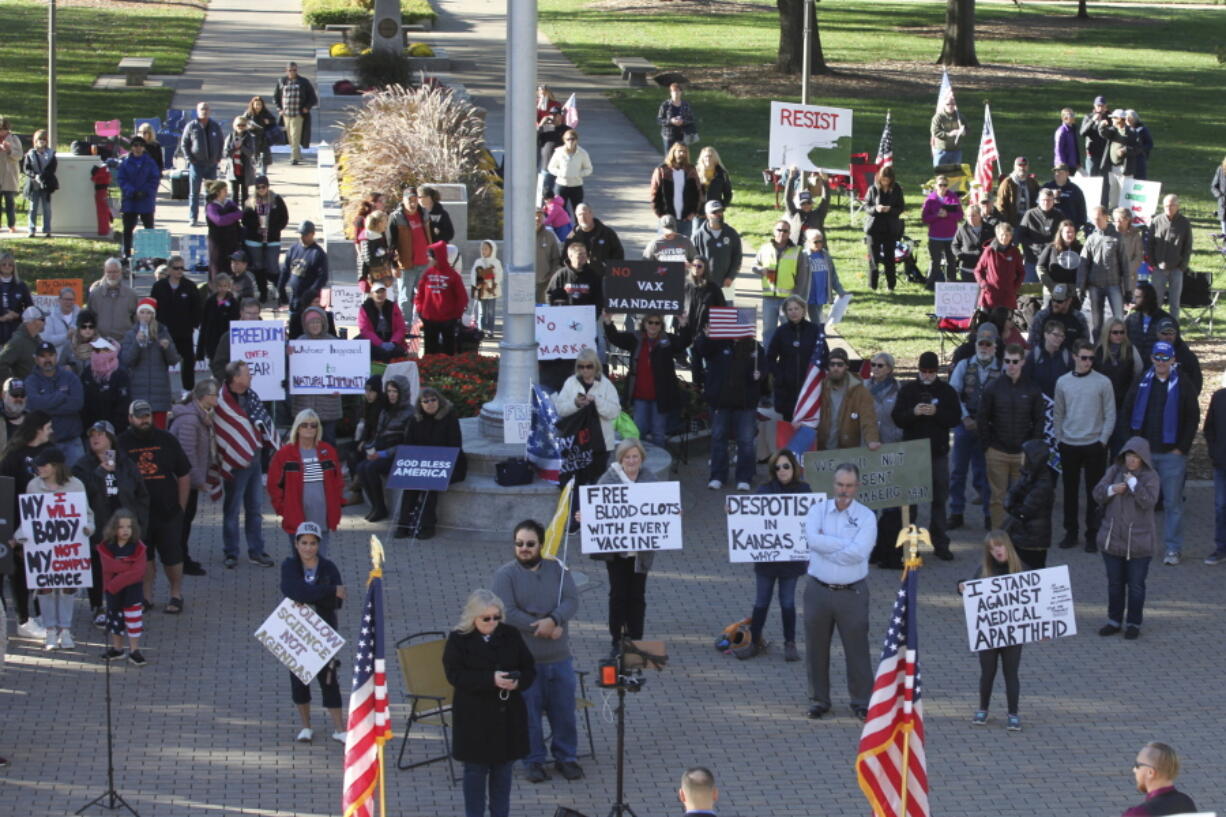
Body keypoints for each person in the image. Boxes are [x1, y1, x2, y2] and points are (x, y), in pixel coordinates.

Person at [489, 520, 582, 783]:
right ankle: (533, 761)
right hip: (525, 662)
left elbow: (571, 600)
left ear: (541, 544)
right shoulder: (505, 575)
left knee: (563, 712)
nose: (524, 548)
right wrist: (542, 627)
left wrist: (554, 619)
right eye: (519, 544)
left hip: (559, 658)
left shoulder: (558, 569)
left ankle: (567, 758)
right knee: (528, 716)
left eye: (530, 544)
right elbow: (506, 612)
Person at [443, 588, 536, 817]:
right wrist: (490, 679)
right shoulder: (459, 639)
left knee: (503, 773)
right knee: (475, 773)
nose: (492, 622)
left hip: (507, 716)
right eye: (486, 618)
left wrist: (518, 682)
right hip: (475, 718)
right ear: (473, 617)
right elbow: (455, 675)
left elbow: (529, 668)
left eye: (497, 617)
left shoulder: (510, 634)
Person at [803, 463, 876, 720]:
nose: (843, 491)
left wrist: (828, 547)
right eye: (839, 485)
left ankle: (862, 701)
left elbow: (859, 553)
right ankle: (819, 700)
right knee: (815, 649)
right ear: (833, 484)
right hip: (817, 591)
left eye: (848, 486)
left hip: (852, 593)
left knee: (857, 650)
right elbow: (812, 540)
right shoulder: (817, 511)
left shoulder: (867, 517)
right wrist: (845, 545)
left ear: (857, 487)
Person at [1121, 341, 1198, 566]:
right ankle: (1138, 545)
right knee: (1138, 501)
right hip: (1143, 454)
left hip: (1171, 455)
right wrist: (1132, 444)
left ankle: (1173, 548)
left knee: (1172, 503)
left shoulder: (1183, 384)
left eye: (1166, 358)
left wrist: (1181, 448)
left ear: (1173, 359)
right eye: (1157, 357)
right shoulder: (1142, 382)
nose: (1161, 362)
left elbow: (1193, 418)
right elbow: (1126, 410)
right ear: (1152, 358)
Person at [585, 439, 664, 655]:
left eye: (635, 456)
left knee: (637, 595)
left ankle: (636, 639)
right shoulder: (608, 480)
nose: (631, 461)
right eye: (627, 457)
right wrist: (586, 516)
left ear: (641, 458)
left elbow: (662, 506)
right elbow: (596, 508)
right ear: (621, 459)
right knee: (618, 594)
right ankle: (617, 638)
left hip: (641, 552)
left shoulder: (649, 478)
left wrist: (673, 513)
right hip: (617, 552)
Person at [117, 399, 190, 610]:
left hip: (167, 511)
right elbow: (109, 475)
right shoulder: (120, 443)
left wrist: (181, 508)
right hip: (136, 514)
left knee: (172, 556)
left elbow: (184, 473)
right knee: (144, 556)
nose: (144, 420)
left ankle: (176, 594)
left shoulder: (167, 439)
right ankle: (146, 596)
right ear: (130, 419)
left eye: (147, 416)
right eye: (139, 416)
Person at [737, 449, 810, 660]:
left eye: (786, 466)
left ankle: (790, 643)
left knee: (787, 603)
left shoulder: (804, 491)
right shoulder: (764, 490)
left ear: (794, 468)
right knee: (761, 602)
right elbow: (750, 516)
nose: (782, 471)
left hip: (791, 561)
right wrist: (734, 511)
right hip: (767, 559)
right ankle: (754, 642)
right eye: (777, 467)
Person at [76, 419, 152, 619]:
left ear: (111, 438)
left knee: (124, 566)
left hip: (123, 525)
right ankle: (98, 607)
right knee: (98, 566)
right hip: (98, 525)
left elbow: (141, 495)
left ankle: (122, 605)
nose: (95, 439)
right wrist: (101, 472)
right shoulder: (82, 465)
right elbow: (82, 494)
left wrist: (139, 523)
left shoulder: (126, 463)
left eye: (100, 434)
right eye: (92, 435)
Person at [20, 447, 94, 650]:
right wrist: (21, 534)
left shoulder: (75, 485)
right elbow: (30, 517)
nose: (39, 468)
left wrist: (88, 527)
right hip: (44, 546)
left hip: (68, 546)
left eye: (44, 465)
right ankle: (50, 630)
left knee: (68, 586)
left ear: (56, 466)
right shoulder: (33, 485)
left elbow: (87, 514)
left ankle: (66, 629)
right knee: (46, 586)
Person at [281, 522, 347, 742]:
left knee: (329, 680)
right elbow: (293, 590)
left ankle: (339, 729)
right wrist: (327, 591)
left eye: (312, 543)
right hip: (298, 633)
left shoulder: (329, 567)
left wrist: (309, 595)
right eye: (304, 543)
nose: (308, 548)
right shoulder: (289, 566)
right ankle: (306, 727)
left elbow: (337, 603)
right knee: (299, 681)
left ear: (319, 544)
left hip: (323, 632)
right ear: (296, 543)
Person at [893, 351, 960, 558]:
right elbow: (897, 417)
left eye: (931, 371)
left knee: (939, 499)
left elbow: (955, 418)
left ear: (936, 371)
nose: (927, 375)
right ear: (918, 370)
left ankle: (940, 543)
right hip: (913, 454)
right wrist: (914, 413)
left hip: (938, 453)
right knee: (911, 503)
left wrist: (936, 413)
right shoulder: (908, 390)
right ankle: (911, 545)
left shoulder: (947, 391)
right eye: (924, 371)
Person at [1092, 437, 1159, 639]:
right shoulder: (1114, 471)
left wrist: (1134, 485)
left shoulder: (1151, 476)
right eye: (1129, 456)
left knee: (1136, 586)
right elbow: (1097, 493)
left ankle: (1133, 623)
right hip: (1112, 539)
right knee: (1115, 583)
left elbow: (1149, 502)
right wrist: (1112, 489)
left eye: (1136, 457)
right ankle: (1114, 621)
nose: (1131, 460)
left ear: (1143, 459)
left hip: (1138, 544)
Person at [958, 530, 1025, 731]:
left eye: (999, 546)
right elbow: (969, 590)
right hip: (989, 633)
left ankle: (1013, 713)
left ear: (1007, 546)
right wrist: (960, 586)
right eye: (992, 548)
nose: (997, 551)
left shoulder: (1022, 570)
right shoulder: (984, 570)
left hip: (1013, 633)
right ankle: (983, 709)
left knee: (1010, 673)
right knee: (987, 673)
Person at [1054, 340, 1116, 551]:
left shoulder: (1103, 382)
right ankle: (1070, 532)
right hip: (1069, 443)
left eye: (1091, 358)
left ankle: (1092, 534)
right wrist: (1059, 438)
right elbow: (1058, 412)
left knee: (1094, 493)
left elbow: (1110, 413)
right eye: (1084, 357)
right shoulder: (1062, 382)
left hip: (1094, 444)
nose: (1088, 362)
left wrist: (1103, 440)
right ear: (1074, 357)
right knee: (1069, 492)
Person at [216, 362, 276, 569]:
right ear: (235, 379)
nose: (251, 376)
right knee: (232, 509)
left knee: (255, 508)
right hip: (234, 461)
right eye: (248, 373)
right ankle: (231, 552)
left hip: (255, 459)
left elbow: (263, 419)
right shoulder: (221, 400)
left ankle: (256, 551)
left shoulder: (252, 396)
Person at [978, 344, 1044, 528]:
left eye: (1015, 362)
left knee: (1021, 497)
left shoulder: (1032, 388)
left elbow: (1039, 420)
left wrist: (1031, 449)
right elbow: (982, 418)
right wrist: (987, 447)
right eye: (1007, 361)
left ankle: (1017, 536)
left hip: (1022, 453)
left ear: (1022, 362)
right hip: (997, 451)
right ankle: (998, 537)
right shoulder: (993, 388)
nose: (1011, 365)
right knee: (997, 498)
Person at [603, 311, 688, 447]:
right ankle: (637, 463)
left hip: (660, 397)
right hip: (640, 396)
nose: (653, 326)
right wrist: (608, 322)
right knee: (638, 431)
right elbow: (615, 338)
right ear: (644, 324)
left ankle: (659, 466)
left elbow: (683, 343)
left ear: (661, 325)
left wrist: (683, 324)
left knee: (658, 433)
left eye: (657, 323)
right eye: (650, 322)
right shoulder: (636, 338)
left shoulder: (667, 340)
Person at [394, 387, 466, 540]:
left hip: (448, 463)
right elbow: (409, 444)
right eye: (425, 401)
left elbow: (455, 445)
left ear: (439, 401)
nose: (430, 404)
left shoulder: (449, 417)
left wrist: (433, 461)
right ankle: (404, 524)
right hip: (422, 463)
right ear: (420, 404)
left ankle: (428, 525)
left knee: (430, 484)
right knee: (410, 484)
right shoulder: (415, 420)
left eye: (433, 400)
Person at [267, 409, 343, 555]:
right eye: (304, 425)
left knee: (320, 559)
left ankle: (316, 578)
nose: (309, 428)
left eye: (313, 425)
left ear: (318, 428)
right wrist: (283, 509)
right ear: (297, 428)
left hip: (323, 514)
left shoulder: (328, 451)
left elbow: (337, 480)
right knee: (299, 559)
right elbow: (273, 485)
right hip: (296, 515)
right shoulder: (284, 454)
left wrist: (337, 503)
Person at [949, 326, 1001, 532]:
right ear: (976, 344)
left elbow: (1002, 398)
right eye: (981, 343)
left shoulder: (1001, 368)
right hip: (965, 422)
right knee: (958, 471)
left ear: (995, 346)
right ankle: (956, 512)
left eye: (989, 344)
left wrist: (988, 421)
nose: (984, 347)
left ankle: (989, 515)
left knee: (986, 471)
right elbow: (953, 392)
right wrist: (965, 417)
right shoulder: (964, 365)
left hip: (988, 426)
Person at [703, 334, 764, 491]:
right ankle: (717, 476)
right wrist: (706, 337)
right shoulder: (717, 343)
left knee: (746, 441)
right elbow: (701, 351)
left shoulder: (755, 347)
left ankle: (744, 477)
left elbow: (764, 368)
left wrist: (760, 374)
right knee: (718, 438)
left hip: (745, 404)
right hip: (721, 402)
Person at [166, 381, 214, 577]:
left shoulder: (199, 417)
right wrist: (198, 481)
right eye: (215, 395)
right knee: (182, 521)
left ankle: (181, 557)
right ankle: (179, 560)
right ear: (204, 398)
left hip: (187, 482)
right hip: (182, 483)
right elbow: (187, 457)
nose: (217, 398)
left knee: (185, 521)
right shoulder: (190, 421)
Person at [355, 374, 413, 523]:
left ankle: (380, 508)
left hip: (398, 455)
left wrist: (383, 453)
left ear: (402, 392)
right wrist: (370, 448)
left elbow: (407, 443)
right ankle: (376, 506)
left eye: (395, 391)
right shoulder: (386, 410)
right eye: (389, 391)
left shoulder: (410, 413)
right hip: (382, 451)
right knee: (361, 466)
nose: (391, 394)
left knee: (370, 468)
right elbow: (379, 434)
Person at [97, 509, 149, 666]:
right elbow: (108, 566)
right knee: (115, 620)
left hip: (132, 591)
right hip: (114, 593)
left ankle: (134, 650)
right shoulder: (107, 546)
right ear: (114, 529)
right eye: (121, 527)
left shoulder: (138, 547)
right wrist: (126, 567)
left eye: (129, 526)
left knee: (134, 621)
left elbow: (138, 571)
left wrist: (115, 582)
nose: (125, 530)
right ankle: (117, 649)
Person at [122, 298, 180, 429]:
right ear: (137, 315)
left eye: (148, 313)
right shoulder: (130, 335)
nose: (145, 316)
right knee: (140, 432)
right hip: (139, 392)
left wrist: (167, 348)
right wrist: (137, 343)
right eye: (142, 312)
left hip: (160, 394)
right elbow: (127, 361)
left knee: (159, 433)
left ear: (153, 315)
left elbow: (174, 360)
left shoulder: (163, 332)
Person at [24, 340, 85, 464]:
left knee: (80, 480)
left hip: (72, 441)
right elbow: (34, 406)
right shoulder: (30, 381)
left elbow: (77, 403)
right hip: (44, 445)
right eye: (43, 356)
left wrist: (47, 407)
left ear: (56, 357)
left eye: (50, 355)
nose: (47, 359)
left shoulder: (70, 377)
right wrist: (60, 396)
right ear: (36, 359)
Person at [290, 306, 343, 445]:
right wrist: (288, 356)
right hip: (304, 402)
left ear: (323, 323)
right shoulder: (299, 343)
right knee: (305, 442)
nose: (314, 325)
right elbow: (291, 370)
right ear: (305, 325)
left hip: (329, 403)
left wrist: (341, 386)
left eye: (317, 322)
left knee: (328, 441)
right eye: (311, 323)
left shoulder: (334, 343)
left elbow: (342, 371)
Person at [764, 295, 819, 423]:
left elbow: (823, 355)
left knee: (808, 424)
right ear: (785, 312)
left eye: (796, 308)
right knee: (789, 425)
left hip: (808, 385)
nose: (793, 312)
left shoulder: (814, 330)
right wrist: (779, 375)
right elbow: (770, 357)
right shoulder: (781, 332)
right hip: (787, 387)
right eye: (790, 309)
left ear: (803, 310)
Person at [815, 347, 879, 453]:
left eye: (840, 364)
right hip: (822, 448)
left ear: (847, 366)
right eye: (832, 364)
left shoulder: (859, 390)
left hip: (847, 450)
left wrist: (872, 440)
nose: (835, 368)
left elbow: (868, 419)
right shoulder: (820, 388)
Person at [1002, 439, 1054, 569]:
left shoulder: (1043, 484)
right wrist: (1012, 504)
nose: (1021, 457)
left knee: (1032, 570)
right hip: (1022, 535)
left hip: (1033, 540)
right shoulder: (1027, 475)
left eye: (1024, 455)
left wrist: (1012, 506)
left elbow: (1024, 511)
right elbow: (1011, 494)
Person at [151, 256, 201, 388]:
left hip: (184, 331)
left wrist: (193, 325)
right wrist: (155, 327)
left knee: (188, 360)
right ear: (169, 269)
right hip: (164, 332)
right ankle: (161, 389)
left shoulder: (190, 286)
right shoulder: (158, 286)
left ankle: (188, 390)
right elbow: (153, 308)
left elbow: (197, 308)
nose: (180, 271)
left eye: (182, 268)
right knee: (161, 362)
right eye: (176, 268)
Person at [415, 240, 469, 356]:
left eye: (430, 257)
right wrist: (420, 310)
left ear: (438, 257)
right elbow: (420, 294)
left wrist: (456, 315)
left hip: (448, 319)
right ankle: (429, 371)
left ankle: (447, 371)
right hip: (429, 319)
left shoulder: (453, 275)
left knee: (448, 350)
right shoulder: (427, 274)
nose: (428, 259)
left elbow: (462, 297)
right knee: (430, 350)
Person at [389, 187, 434, 318]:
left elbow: (431, 237)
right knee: (405, 297)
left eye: (415, 200)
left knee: (424, 296)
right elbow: (391, 244)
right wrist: (393, 265)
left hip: (424, 263)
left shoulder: (424, 214)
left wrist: (432, 257)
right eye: (410, 200)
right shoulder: (396, 217)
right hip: (406, 265)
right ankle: (405, 326)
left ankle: (420, 324)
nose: (413, 204)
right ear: (403, 200)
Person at [243, 176, 289, 302]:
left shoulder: (276, 200)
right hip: (254, 239)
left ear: (268, 187)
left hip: (272, 238)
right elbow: (245, 220)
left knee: (273, 267)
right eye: (258, 187)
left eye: (263, 187)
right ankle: (263, 292)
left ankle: (281, 291)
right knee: (258, 267)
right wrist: (256, 228)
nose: (261, 189)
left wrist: (273, 229)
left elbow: (284, 218)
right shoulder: (250, 201)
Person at [754, 220, 799, 347]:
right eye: (779, 230)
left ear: (789, 233)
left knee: (788, 332)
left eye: (785, 231)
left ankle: (787, 360)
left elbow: (802, 277)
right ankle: (767, 360)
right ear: (774, 231)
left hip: (788, 300)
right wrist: (760, 270)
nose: (782, 233)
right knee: (768, 332)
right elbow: (755, 265)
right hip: (768, 297)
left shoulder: (796, 251)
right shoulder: (765, 248)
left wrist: (798, 298)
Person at [179, 102, 224, 227]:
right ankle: (193, 217)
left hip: (211, 165)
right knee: (194, 193)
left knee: (211, 193)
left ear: (210, 111)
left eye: (206, 109)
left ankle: (210, 217)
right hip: (196, 164)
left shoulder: (215, 126)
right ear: (197, 111)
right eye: (202, 109)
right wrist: (190, 158)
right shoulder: (191, 126)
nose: (204, 111)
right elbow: (184, 144)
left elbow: (221, 142)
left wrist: (218, 157)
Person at [1149, 195, 1193, 320]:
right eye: (1166, 205)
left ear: (1177, 206)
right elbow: (1150, 243)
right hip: (1158, 268)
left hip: (1176, 269)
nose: (1168, 208)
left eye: (1171, 205)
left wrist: (1182, 266)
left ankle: (1174, 333)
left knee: (1175, 304)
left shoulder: (1184, 223)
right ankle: (1155, 330)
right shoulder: (1156, 221)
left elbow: (1188, 246)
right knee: (1156, 303)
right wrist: (1153, 263)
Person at [116, 136, 160, 260]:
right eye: (135, 145)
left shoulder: (150, 162)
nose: (138, 148)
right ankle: (127, 252)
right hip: (130, 199)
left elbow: (154, 179)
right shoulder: (125, 162)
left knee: (149, 227)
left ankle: (150, 253)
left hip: (146, 199)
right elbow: (121, 179)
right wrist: (132, 191)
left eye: (140, 145)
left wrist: (145, 191)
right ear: (131, 147)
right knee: (128, 228)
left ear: (144, 147)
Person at [1123, 743, 1197, 816]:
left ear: (1150, 772)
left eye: (1137, 765)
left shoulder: (1137, 814)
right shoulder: (1187, 802)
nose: (1134, 770)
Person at [863, 166, 905, 291]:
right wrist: (875, 209)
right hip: (874, 228)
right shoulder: (872, 189)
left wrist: (890, 209)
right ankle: (873, 285)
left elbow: (901, 207)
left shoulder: (897, 189)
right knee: (874, 259)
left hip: (890, 228)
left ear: (891, 179)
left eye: (887, 180)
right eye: (883, 180)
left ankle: (891, 285)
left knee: (889, 259)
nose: (885, 182)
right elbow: (866, 206)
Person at [693, 200, 743, 302]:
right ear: (707, 215)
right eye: (714, 212)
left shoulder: (731, 233)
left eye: (720, 211)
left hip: (726, 283)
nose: (718, 214)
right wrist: (698, 278)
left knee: (725, 314)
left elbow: (737, 257)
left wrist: (730, 277)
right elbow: (693, 259)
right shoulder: (698, 236)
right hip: (704, 283)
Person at [650, 144, 703, 238]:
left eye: (685, 152)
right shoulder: (662, 170)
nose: (682, 154)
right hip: (667, 219)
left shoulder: (691, 170)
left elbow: (698, 193)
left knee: (684, 249)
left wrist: (693, 212)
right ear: (673, 152)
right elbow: (654, 194)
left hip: (686, 219)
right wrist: (660, 214)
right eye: (680, 151)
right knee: (665, 249)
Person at [798, 229, 847, 325]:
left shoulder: (825, 255)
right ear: (808, 242)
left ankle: (816, 335)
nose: (819, 244)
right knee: (815, 320)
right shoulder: (803, 256)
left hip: (821, 294)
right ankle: (819, 335)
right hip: (808, 294)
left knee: (817, 317)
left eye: (821, 241)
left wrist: (840, 291)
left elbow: (833, 275)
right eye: (816, 242)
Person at [274, 62, 318, 166]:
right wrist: (279, 109)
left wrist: (307, 108)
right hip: (285, 114)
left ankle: (293, 157)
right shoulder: (281, 81)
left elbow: (313, 98)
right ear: (286, 71)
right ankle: (297, 154)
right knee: (289, 136)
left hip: (298, 114)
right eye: (290, 70)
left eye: (294, 70)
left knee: (295, 135)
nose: (292, 72)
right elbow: (275, 97)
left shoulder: (303, 82)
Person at [921, 176, 963, 285]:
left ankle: (951, 284)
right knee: (935, 262)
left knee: (951, 263)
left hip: (951, 237)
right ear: (935, 186)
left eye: (945, 185)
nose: (943, 187)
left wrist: (948, 214)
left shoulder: (953, 197)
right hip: (935, 237)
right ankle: (931, 285)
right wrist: (937, 216)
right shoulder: (930, 199)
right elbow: (925, 218)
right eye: (940, 185)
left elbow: (960, 215)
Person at [974, 223, 1025, 311]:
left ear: (1011, 236)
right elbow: (978, 270)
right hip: (990, 296)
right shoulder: (989, 251)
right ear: (997, 235)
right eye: (1002, 235)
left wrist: (1014, 288)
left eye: (1007, 235)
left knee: (1006, 323)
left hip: (1008, 297)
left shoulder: (1015, 251)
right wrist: (983, 284)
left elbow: (1021, 272)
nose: (1004, 238)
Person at [281, 220, 328, 314]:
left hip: (309, 299)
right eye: (300, 234)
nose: (302, 237)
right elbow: (285, 270)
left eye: (305, 234)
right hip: (294, 296)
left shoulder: (318, 253)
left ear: (313, 234)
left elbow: (322, 277)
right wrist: (281, 287)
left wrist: (310, 294)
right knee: (294, 322)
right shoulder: (294, 249)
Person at [86, 258, 138, 343]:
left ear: (120, 272)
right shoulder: (95, 294)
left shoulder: (131, 294)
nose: (112, 275)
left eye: (115, 272)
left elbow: (136, 320)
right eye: (109, 272)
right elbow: (89, 318)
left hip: (125, 342)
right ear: (104, 273)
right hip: (101, 342)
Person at [1203, 377, 1226, 566]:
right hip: (1222, 463)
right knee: (1220, 507)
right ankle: (1221, 548)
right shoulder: (1219, 397)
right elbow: (1208, 428)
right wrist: (1215, 452)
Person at [545, 129, 592, 220]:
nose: (570, 141)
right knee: (559, 211)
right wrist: (561, 173)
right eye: (568, 139)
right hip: (561, 186)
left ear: (576, 140)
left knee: (579, 212)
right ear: (564, 140)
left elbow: (589, 169)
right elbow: (551, 167)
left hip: (576, 186)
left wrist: (578, 174)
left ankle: (578, 230)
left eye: (573, 139)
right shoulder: (559, 152)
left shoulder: (582, 153)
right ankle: (562, 231)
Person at [357, 282, 408, 363]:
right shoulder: (365, 308)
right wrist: (380, 344)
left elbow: (401, 328)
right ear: (372, 294)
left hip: (391, 339)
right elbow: (364, 330)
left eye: (383, 291)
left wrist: (393, 342)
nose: (380, 294)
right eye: (377, 292)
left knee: (398, 352)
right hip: (374, 340)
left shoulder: (393, 306)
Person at [1027, 284, 1088, 351]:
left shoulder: (1079, 318)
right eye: (1053, 299)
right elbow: (1032, 343)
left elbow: (1084, 345)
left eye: (1059, 301)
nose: (1055, 303)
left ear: (1069, 301)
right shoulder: (1041, 316)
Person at [1017, 188, 1061, 281]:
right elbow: (1020, 236)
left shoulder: (1059, 215)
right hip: (1032, 258)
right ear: (1039, 200)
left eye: (1049, 200)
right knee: (1030, 290)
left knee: (1051, 290)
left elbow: (1063, 235)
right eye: (1043, 200)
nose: (1046, 203)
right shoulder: (1030, 214)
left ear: (1053, 201)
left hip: (1052, 259)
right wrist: (1035, 246)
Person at [211, 298, 259, 381]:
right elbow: (218, 366)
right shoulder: (228, 337)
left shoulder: (272, 336)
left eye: (255, 313)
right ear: (241, 313)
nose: (252, 317)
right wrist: (229, 382)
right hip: (236, 387)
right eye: (249, 313)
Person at [205, 180, 243, 281]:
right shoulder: (211, 206)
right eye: (224, 190)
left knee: (231, 269)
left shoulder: (229, 203)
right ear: (217, 192)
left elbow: (240, 214)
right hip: (217, 243)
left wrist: (230, 217)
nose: (227, 192)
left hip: (232, 242)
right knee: (217, 269)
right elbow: (219, 221)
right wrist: (233, 216)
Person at [21, 129, 57, 237]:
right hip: (33, 184)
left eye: (44, 139)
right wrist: (35, 176)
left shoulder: (51, 154)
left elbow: (52, 168)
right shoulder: (30, 154)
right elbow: (26, 169)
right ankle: (31, 229)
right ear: (35, 141)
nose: (41, 141)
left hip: (46, 184)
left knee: (47, 208)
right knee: (33, 208)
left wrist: (43, 176)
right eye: (39, 139)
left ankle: (47, 229)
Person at [1037, 219, 1084, 299]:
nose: (1070, 234)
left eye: (1072, 232)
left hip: (1073, 291)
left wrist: (1080, 285)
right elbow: (1040, 267)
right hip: (1053, 290)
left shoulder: (1081, 249)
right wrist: (1051, 285)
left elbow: (1085, 267)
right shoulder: (1051, 248)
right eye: (1067, 232)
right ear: (1061, 233)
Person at [568, 203, 624, 268]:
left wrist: (610, 270)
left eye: (585, 214)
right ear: (576, 217)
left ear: (591, 214)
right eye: (580, 215)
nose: (583, 218)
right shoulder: (572, 237)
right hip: (580, 276)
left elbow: (619, 255)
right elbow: (565, 260)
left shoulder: (607, 233)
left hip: (603, 275)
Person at [0, 306, 44, 383]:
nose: (45, 323)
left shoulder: (38, 340)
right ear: (33, 322)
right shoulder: (18, 341)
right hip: (24, 392)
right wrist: (13, 384)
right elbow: (1, 363)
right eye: (42, 319)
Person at [784, 166, 829, 239]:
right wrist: (791, 178)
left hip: (815, 246)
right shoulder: (795, 214)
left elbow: (826, 199)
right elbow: (788, 199)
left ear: (812, 204)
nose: (806, 205)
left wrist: (825, 181)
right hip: (798, 247)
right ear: (800, 205)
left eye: (808, 203)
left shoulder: (819, 214)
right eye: (803, 203)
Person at [0, 251, 33, 347]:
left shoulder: (21, 286)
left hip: (16, 334)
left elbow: (31, 310)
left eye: (10, 264)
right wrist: (2, 318)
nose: (7, 266)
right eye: (4, 264)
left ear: (14, 267)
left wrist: (18, 315)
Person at [536, 85, 566, 190]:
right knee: (540, 157)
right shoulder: (536, 103)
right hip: (541, 129)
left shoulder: (555, 104)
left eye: (544, 92)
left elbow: (561, 117)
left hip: (552, 129)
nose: (542, 94)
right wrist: (538, 108)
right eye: (540, 92)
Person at [469, 239, 502, 336]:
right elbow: (473, 274)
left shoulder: (496, 262)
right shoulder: (478, 261)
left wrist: (493, 283)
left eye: (486, 249)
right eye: (482, 249)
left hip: (492, 291)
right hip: (482, 291)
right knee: (482, 312)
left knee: (491, 312)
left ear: (492, 250)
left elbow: (499, 274)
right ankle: (481, 328)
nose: (484, 251)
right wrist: (477, 284)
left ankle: (490, 330)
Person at [223, 116, 258, 205]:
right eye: (239, 125)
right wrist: (235, 147)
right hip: (233, 170)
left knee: (245, 194)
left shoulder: (249, 137)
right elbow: (226, 154)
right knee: (234, 194)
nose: (241, 127)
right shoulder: (230, 136)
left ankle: (245, 215)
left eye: (243, 125)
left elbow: (251, 153)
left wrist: (241, 146)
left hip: (245, 170)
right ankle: (234, 215)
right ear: (235, 125)